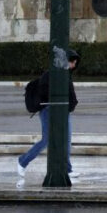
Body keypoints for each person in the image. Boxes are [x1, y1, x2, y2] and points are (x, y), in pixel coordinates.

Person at [17, 49, 80, 181]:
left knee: (66, 140)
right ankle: (23, 161)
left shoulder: (66, 74)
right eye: (72, 62)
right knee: (47, 139)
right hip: (48, 110)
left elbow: (71, 93)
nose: (74, 65)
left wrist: (71, 105)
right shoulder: (50, 73)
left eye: (75, 63)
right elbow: (44, 91)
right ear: (66, 61)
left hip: (63, 111)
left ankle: (67, 169)